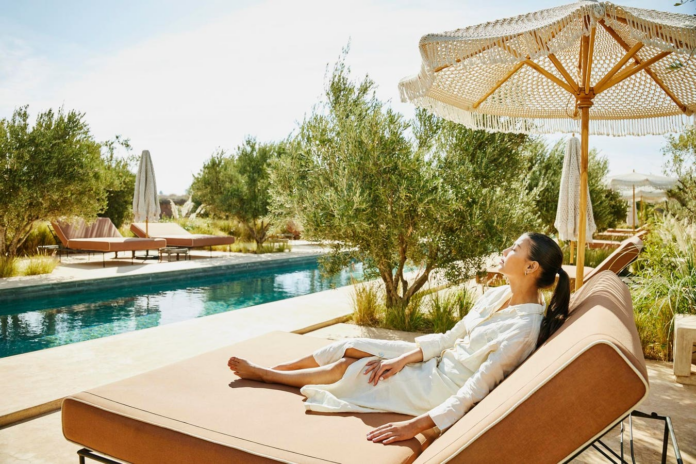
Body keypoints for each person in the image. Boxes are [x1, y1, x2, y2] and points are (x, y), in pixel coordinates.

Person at [228, 232, 570, 445]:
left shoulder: (523, 330)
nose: (505, 250)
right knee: (349, 345)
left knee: (354, 367)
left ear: (531, 268)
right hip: (435, 362)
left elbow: (477, 388)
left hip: (439, 388)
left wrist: (417, 425)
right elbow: (450, 337)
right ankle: (280, 369)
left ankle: (268, 376)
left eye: (515, 248)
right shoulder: (498, 295)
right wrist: (406, 357)